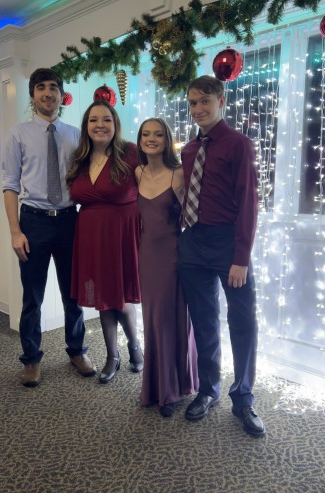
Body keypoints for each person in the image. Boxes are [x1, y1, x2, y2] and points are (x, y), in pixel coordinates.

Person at [178, 75, 265, 437]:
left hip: (230, 244)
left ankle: (243, 397)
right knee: (204, 322)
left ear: (221, 102)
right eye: (193, 103)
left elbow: (249, 203)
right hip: (193, 243)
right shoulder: (188, 150)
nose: (198, 109)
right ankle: (208, 389)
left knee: (242, 322)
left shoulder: (239, 144)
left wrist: (241, 257)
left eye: (205, 102)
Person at [2, 68, 96, 387]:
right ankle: (31, 359)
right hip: (33, 221)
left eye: (53, 87)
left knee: (74, 293)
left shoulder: (75, 134)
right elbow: (10, 185)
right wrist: (15, 231)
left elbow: (88, 177)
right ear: (32, 95)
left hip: (70, 220)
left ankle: (77, 349)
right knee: (33, 296)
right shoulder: (18, 134)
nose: (48, 93)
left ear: (60, 95)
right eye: (41, 88)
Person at [66, 100, 144, 384]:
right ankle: (113, 356)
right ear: (86, 126)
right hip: (89, 236)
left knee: (120, 297)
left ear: (115, 124)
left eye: (106, 119)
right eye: (93, 120)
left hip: (122, 235)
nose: (100, 125)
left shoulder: (132, 153)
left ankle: (135, 345)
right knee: (101, 298)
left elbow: (152, 188)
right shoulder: (80, 158)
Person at [135, 118, 199, 418]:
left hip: (173, 256)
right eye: (146, 134)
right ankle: (155, 385)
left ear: (166, 139)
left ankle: (173, 389)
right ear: (139, 139)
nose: (151, 139)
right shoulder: (137, 172)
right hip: (146, 256)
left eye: (158, 134)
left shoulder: (179, 173)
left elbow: (195, 216)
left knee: (171, 320)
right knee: (152, 320)